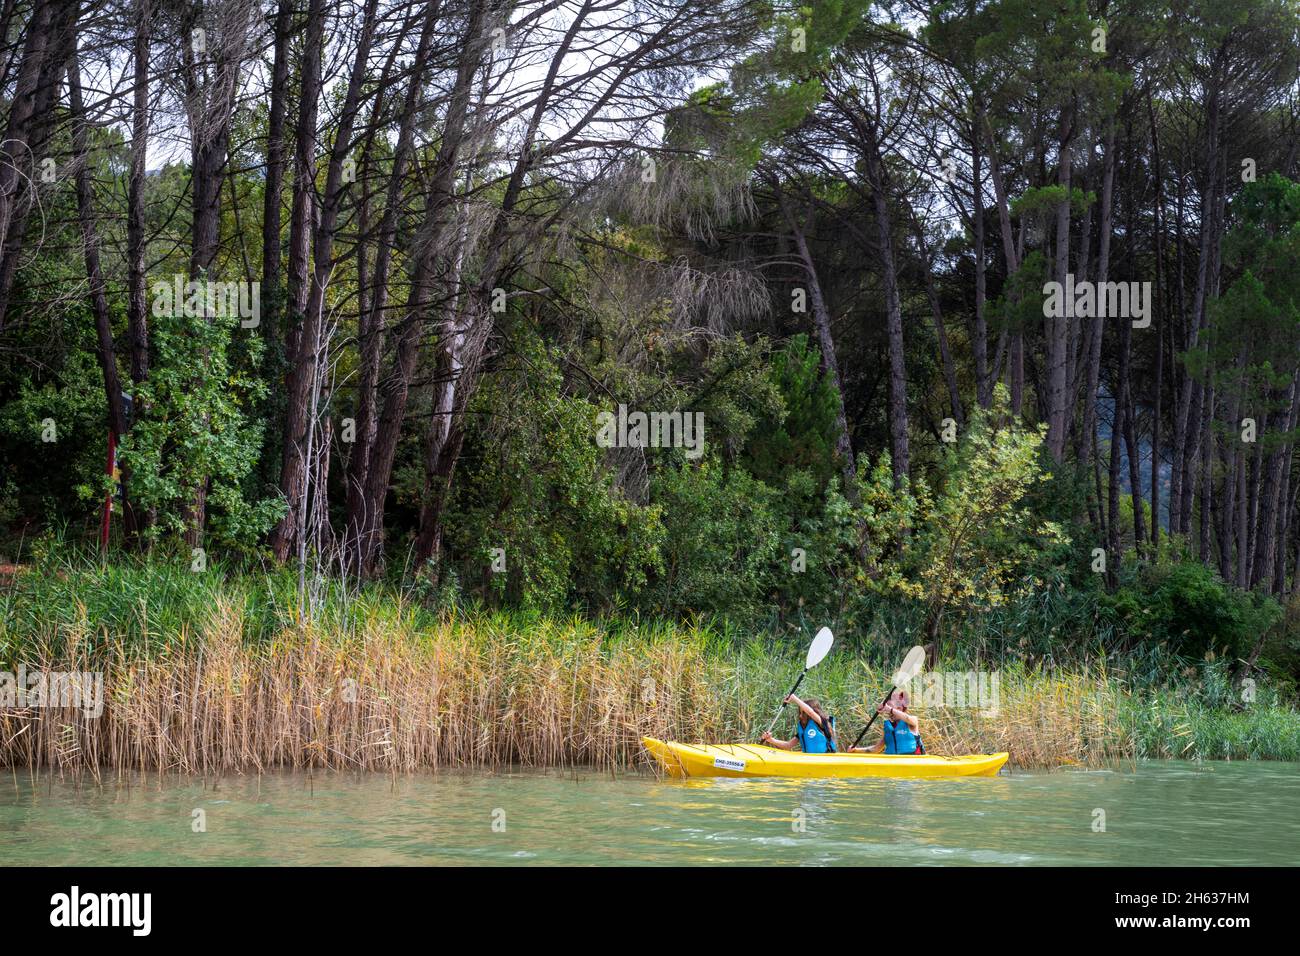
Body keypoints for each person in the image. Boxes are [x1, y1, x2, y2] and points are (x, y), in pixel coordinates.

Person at [849, 689, 923, 754]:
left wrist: (890, 709)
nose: (890, 714)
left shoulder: (912, 721)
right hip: (894, 765)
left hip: (912, 763)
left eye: (892, 711)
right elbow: (876, 749)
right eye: (889, 712)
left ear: (900, 708)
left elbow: (907, 718)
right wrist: (856, 750)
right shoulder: (890, 729)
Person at [760, 694, 837, 753]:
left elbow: (810, 712)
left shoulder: (823, 723)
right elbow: (788, 745)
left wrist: (794, 698)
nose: (800, 716)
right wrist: (771, 740)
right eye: (799, 712)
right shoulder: (804, 729)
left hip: (826, 758)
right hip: (811, 760)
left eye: (803, 713)